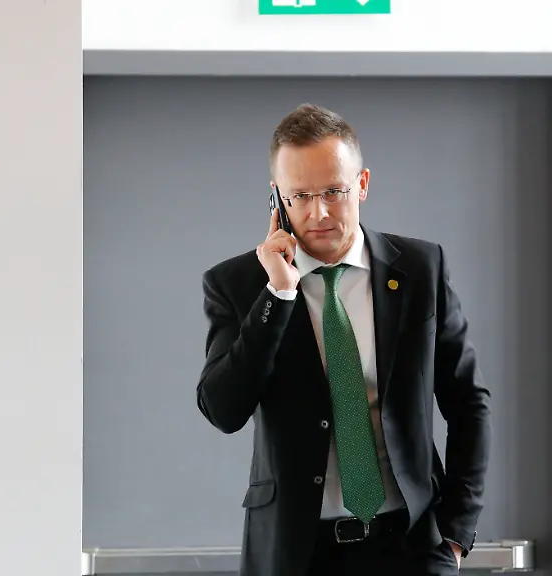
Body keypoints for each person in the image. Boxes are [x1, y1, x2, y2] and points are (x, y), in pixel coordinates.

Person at [196, 103, 491, 576]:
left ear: (363, 184)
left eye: (334, 191)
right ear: (276, 199)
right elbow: (223, 410)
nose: (318, 213)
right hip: (295, 553)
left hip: (410, 546)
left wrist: (456, 532)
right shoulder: (239, 284)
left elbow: (468, 402)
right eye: (300, 196)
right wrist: (278, 294)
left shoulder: (420, 269)